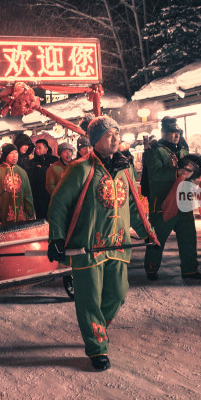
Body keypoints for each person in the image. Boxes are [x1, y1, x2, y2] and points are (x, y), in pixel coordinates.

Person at [47, 116, 151, 371]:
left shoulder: (126, 168)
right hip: (88, 247)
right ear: (95, 141)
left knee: (118, 294)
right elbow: (59, 205)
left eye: (117, 133)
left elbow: (134, 206)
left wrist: (149, 233)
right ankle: (97, 347)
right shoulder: (80, 168)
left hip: (118, 244)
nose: (115, 139)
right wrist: (57, 238)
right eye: (108, 135)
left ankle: (96, 328)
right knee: (89, 299)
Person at [142, 117, 201, 280]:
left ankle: (190, 269)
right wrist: (176, 173)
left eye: (178, 132)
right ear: (163, 133)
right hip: (163, 202)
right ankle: (151, 268)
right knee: (158, 238)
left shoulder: (183, 152)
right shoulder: (155, 151)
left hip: (184, 201)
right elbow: (154, 175)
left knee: (189, 237)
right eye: (172, 132)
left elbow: (190, 174)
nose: (175, 135)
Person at [0, 143, 35, 225]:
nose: (15, 156)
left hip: (21, 218)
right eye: (11, 153)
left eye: (16, 153)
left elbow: (27, 195)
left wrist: (31, 214)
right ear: (5, 155)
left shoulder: (22, 172)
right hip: (2, 218)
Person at [27, 138, 58, 220]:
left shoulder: (54, 160)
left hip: (51, 195)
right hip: (38, 197)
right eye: (36, 148)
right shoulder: (32, 162)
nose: (37, 150)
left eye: (39, 148)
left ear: (46, 149)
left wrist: (41, 169)